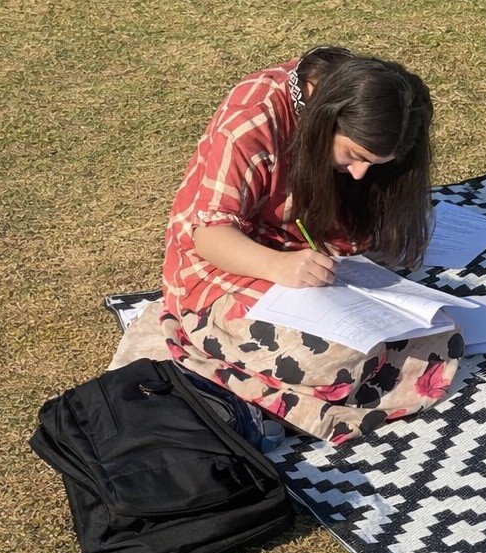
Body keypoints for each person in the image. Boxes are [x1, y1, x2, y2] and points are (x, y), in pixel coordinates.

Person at [109, 47, 462, 444]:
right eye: (354, 156)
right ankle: (235, 391)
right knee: (336, 358)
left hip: (307, 266)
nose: (360, 174)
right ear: (327, 120)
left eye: (375, 164)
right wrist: (279, 266)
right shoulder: (251, 118)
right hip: (225, 267)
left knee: (439, 338)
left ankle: (287, 397)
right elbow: (208, 234)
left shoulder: (363, 105)